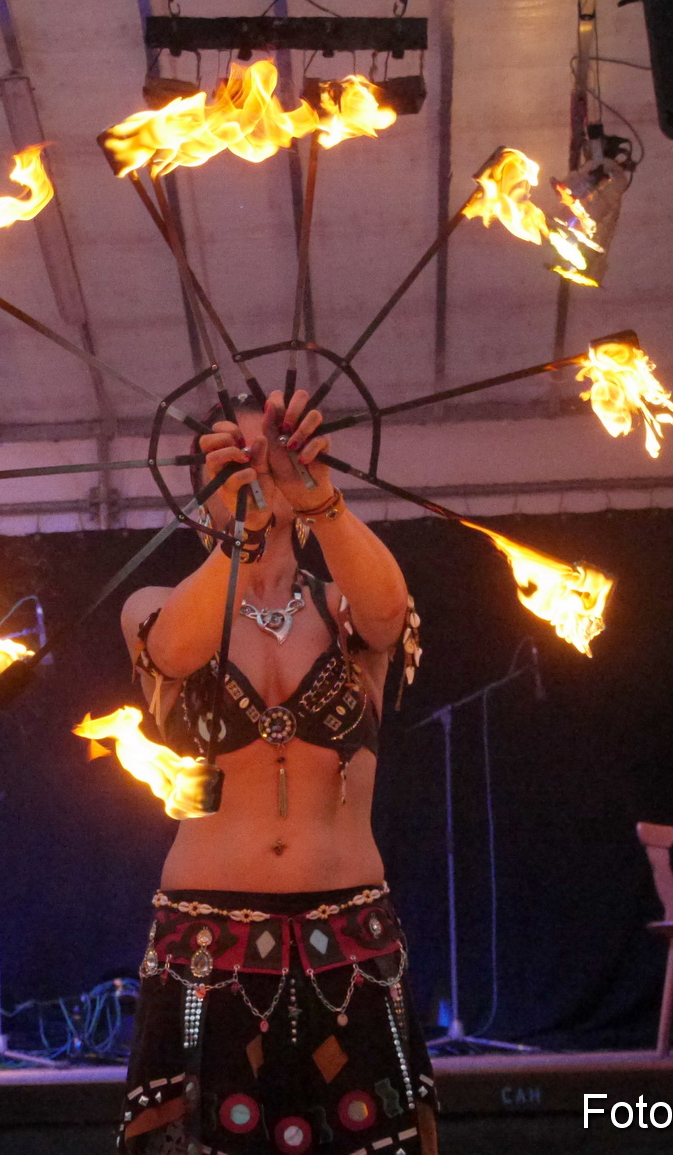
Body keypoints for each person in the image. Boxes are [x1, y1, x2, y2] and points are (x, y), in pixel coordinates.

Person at [117, 388, 433, 1155]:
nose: (260, 470)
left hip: (349, 939)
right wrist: (240, 538)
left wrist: (320, 496)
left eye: (274, 452)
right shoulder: (155, 605)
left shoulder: (348, 604)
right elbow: (175, 653)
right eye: (239, 458)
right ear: (203, 483)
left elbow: (389, 615)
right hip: (207, 943)